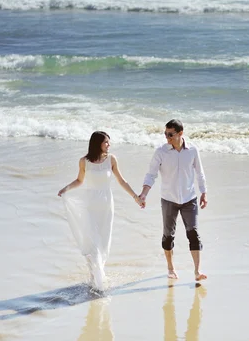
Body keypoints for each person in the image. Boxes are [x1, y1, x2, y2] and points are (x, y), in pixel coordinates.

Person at [58, 131, 144, 290]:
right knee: (93, 242)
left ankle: (95, 275)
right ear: (97, 143)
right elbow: (79, 180)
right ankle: (97, 279)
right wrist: (66, 189)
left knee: (103, 241)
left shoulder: (111, 160)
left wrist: (136, 197)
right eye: (106, 142)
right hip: (89, 205)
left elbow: (121, 180)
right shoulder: (84, 161)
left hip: (106, 206)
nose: (109, 145)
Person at [139, 119, 208, 281]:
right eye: (165, 134)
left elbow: (200, 173)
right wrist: (144, 194)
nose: (167, 138)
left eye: (171, 134)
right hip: (168, 199)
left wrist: (204, 192)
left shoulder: (192, 150)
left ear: (180, 133)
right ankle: (170, 268)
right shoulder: (161, 152)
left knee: (193, 234)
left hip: (189, 199)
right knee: (168, 235)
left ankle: (197, 271)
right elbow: (151, 174)